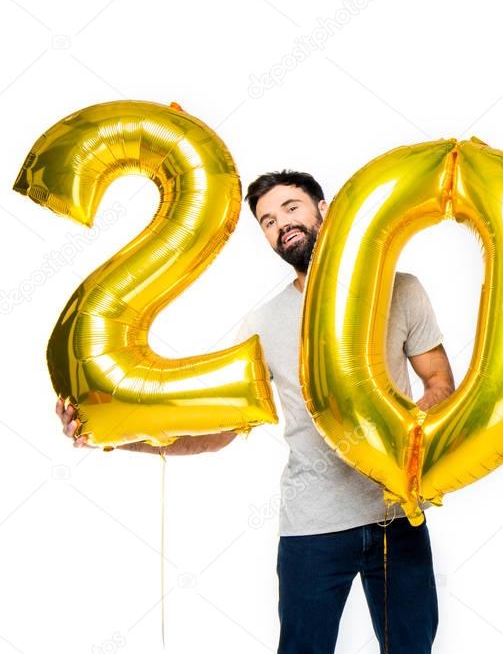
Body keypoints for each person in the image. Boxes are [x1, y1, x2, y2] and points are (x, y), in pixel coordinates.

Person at [57, 170, 454, 654]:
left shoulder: (401, 288)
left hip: (398, 520)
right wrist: (115, 437)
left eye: (291, 208)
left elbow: (439, 384)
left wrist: (397, 438)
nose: (281, 224)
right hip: (313, 528)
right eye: (267, 220)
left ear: (323, 209)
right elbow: (218, 434)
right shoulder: (263, 325)